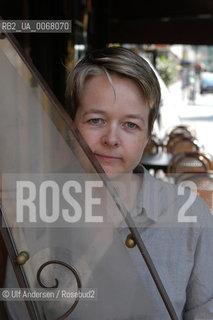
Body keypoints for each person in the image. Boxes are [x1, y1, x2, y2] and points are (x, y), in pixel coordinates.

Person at [65, 46, 213, 319]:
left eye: (131, 125)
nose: (111, 139)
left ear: (147, 136)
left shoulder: (192, 219)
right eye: (96, 120)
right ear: (71, 128)